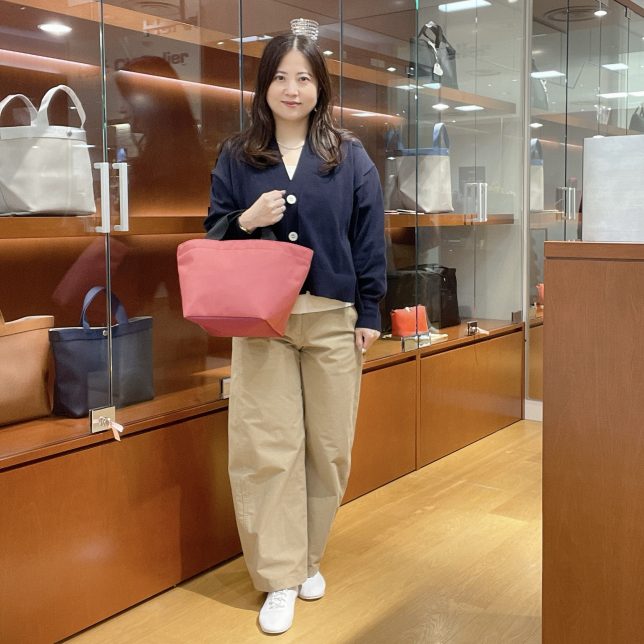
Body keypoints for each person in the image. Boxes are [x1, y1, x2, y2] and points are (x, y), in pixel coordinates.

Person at [204, 32, 386, 635]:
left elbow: (369, 236)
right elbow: (213, 234)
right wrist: (245, 220)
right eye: (280, 77)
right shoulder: (237, 155)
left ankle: (307, 557)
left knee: (328, 448)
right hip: (263, 321)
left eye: (303, 77)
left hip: (333, 319)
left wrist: (370, 312)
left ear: (319, 87)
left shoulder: (348, 155)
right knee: (266, 448)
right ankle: (280, 576)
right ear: (264, 86)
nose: (291, 89)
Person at [114, 56, 210, 215]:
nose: (122, 109)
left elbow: (149, 224)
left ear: (150, 102)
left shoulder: (165, 168)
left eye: (126, 99)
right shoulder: (184, 158)